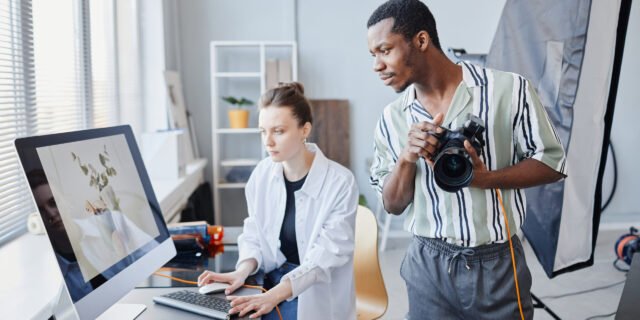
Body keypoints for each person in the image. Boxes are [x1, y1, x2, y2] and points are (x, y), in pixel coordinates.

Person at [367, 1, 567, 319]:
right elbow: (392, 204)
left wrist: (484, 179)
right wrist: (407, 157)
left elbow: (552, 163)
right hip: (427, 266)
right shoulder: (392, 119)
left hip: (498, 263)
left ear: (421, 41)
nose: (377, 65)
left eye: (385, 50)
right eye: (373, 55)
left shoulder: (510, 91)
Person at [198, 82, 358, 320]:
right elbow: (254, 234)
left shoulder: (340, 183)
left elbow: (323, 259)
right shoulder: (262, 174)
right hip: (269, 278)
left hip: (310, 291)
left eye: (278, 131)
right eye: (263, 131)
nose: (268, 141)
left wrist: (274, 296)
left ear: (305, 130)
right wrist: (241, 271)